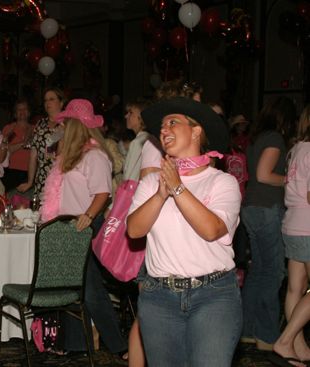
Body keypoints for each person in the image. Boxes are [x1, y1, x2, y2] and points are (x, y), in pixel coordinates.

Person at [127, 97, 241, 367]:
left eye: (173, 122)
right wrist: (161, 194)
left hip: (214, 296)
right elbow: (134, 230)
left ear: (197, 131)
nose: (164, 130)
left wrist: (178, 188)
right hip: (159, 298)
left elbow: (212, 229)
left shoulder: (222, 182)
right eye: (162, 126)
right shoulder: (151, 183)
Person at [39, 99, 128, 360]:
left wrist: (88, 217)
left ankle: (118, 345)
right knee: (75, 288)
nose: (63, 126)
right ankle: (77, 343)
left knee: (90, 290)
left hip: (85, 225)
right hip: (69, 227)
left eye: (67, 122)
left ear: (77, 126)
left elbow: (103, 193)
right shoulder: (69, 156)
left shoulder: (96, 156)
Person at [241, 96, 297, 350]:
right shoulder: (274, 138)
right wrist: (290, 181)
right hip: (267, 209)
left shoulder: (258, 139)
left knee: (258, 272)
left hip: (252, 208)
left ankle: (248, 329)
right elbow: (264, 175)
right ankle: (266, 334)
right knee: (273, 272)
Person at [272, 104, 310, 366]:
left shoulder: (297, 148)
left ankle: (298, 348)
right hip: (307, 226)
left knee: (295, 288)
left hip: (293, 223)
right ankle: (285, 340)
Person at [17, 87, 65, 200]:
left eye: (51, 99)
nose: (47, 103)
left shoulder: (67, 124)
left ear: (61, 103)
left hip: (60, 178)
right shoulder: (40, 124)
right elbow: (33, 155)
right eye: (45, 100)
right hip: (41, 178)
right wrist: (30, 181)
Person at [1, 99, 34, 192]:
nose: (22, 111)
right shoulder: (9, 128)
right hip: (12, 171)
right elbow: (5, 150)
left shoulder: (35, 129)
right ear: (15, 114)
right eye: (19, 109)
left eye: (24, 109)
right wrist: (24, 143)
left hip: (31, 172)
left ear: (29, 112)